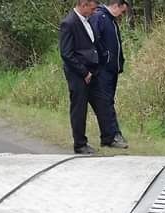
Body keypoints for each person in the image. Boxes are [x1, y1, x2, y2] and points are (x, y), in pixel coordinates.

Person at [59, 0, 102, 154]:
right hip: (77, 74)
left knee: (101, 103)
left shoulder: (86, 21)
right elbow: (66, 54)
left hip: (91, 72)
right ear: (83, 5)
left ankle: (109, 136)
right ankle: (79, 144)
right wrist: (84, 72)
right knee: (79, 109)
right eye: (92, 8)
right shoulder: (68, 23)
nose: (94, 11)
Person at [91, 0, 130, 149]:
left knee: (108, 102)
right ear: (116, 6)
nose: (122, 15)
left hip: (112, 69)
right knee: (106, 103)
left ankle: (109, 136)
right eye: (122, 11)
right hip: (103, 70)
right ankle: (112, 136)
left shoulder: (110, 20)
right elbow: (95, 41)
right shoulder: (100, 17)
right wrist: (104, 58)